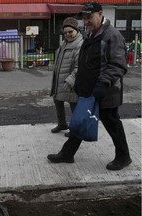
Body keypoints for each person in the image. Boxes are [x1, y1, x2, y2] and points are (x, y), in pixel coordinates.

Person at [47, 1, 132, 171]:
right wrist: (79, 82)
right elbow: (85, 62)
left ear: (100, 14)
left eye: (89, 17)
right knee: (81, 121)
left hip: (106, 91)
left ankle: (124, 157)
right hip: (89, 90)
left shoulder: (112, 35)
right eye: (84, 18)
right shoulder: (91, 35)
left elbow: (117, 65)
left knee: (112, 123)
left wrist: (103, 84)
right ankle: (67, 153)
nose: (86, 22)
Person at [50, 17, 84, 137]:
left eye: (70, 32)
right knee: (57, 100)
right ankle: (62, 123)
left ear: (76, 30)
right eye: (65, 32)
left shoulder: (80, 44)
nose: (68, 34)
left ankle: (75, 129)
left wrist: (71, 80)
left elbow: (79, 66)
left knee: (74, 105)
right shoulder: (65, 42)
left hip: (71, 82)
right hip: (60, 79)